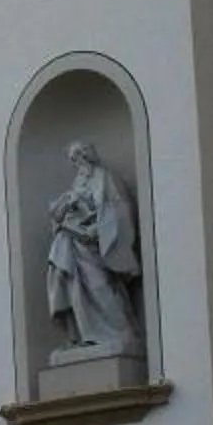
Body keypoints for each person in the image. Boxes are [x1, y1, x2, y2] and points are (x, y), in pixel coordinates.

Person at [47, 141, 142, 355]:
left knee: (101, 286)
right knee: (77, 289)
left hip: (98, 244)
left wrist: (100, 228)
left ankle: (122, 332)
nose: (77, 162)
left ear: (88, 156)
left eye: (79, 156)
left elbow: (118, 208)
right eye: (73, 159)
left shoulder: (104, 178)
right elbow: (64, 212)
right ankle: (88, 335)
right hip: (75, 242)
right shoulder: (78, 182)